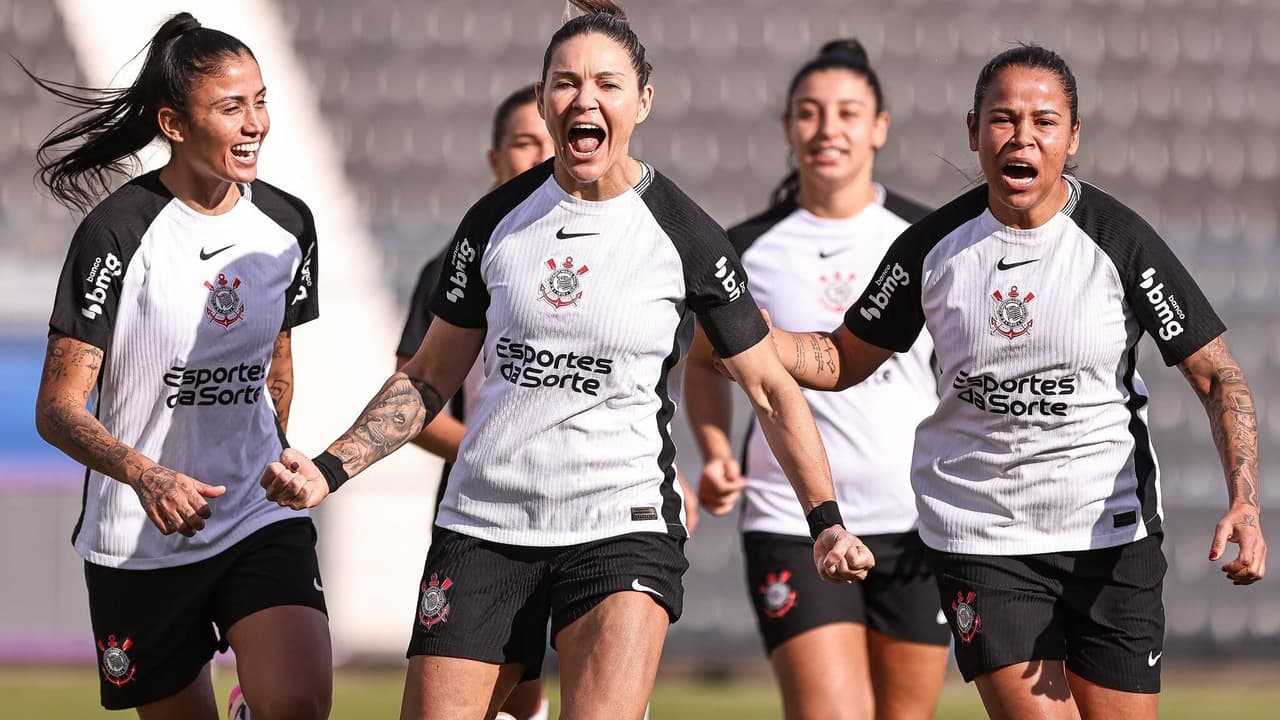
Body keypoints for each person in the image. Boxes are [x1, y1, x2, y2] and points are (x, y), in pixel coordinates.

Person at [260, 2, 873, 718]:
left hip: (622, 528)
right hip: (485, 525)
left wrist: (825, 518)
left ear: (642, 101)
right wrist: (329, 469)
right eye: (566, 82)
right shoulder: (494, 222)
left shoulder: (686, 234)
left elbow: (770, 389)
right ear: (546, 97)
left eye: (607, 84)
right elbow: (428, 376)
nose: (585, 99)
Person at [756, 44, 1267, 720]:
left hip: (1107, 538)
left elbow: (1217, 374)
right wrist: (755, 335)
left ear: (1072, 136)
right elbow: (841, 359)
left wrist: (1245, 500)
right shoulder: (933, 248)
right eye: (1003, 119)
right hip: (983, 538)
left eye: (1044, 121)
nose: (1022, 136)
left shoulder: (1120, 242)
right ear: (973, 132)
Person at [30, 13, 330, 720]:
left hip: (254, 512)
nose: (255, 122)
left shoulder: (289, 225)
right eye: (232, 107)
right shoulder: (115, 233)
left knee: (298, 703)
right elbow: (57, 407)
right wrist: (149, 476)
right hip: (140, 535)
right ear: (173, 122)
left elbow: (276, 363)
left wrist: (273, 449)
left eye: (260, 100)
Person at [684, 39, 948, 720]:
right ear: (787, 128)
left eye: (847, 113)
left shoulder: (928, 238)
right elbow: (703, 364)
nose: (827, 129)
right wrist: (715, 450)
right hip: (790, 521)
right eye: (809, 112)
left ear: (879, 127)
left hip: (917, 522)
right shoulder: (741, 249)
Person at [395, 83, 555, 720]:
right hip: (482, 503)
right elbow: (414, 393)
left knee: (532, 683)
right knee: (492, 690)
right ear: (495, 159)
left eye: (550, 141)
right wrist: (490, 446)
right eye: (524, 143)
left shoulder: (616, 248)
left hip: (585, 502)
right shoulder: (454, 263)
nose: (541, 156)